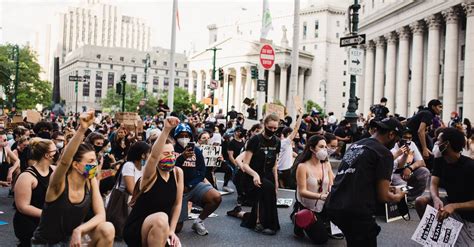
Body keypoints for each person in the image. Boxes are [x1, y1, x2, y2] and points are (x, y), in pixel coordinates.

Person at [31, 111, 114, 246]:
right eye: (91, 161)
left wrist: (79, 230)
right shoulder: (58, 183)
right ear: (75, 165)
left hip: (72, 241)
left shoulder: (90, 180)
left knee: (107, 228)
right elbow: (64, 161)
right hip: (46, 244)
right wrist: (82, 129)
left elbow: (101, 216)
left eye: (95, 161)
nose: (95, 165)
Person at [325, 117, 407, 247]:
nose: (395, 144)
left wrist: (384, 186)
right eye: (396, 140)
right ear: (391, 134)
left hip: (334, 205)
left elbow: (357, 175)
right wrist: (399, 196)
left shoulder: (355, 145)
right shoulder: (384, 153)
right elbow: (384, 196)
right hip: (357, 211)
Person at [123, 117, 184, 247]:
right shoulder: (149, 175)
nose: (171, 156)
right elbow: (154, 157)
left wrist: (172, 231)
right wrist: (166, 130)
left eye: (172, 153)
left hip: (162, 228)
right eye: (166, 153)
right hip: (139, 228)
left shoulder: (178, 173)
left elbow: (178, 204)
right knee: (161, 218)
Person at [415, 128, 474, 246]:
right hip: (448, 205)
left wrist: (454, 206)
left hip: (468, 215)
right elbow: (433, 183)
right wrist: (436, 198)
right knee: (421, 201)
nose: (436, 143)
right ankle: (433, 239)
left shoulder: (470, 166)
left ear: (447, 144)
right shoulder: (440, 161)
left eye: (438, 141)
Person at [173, 123, 222, 236]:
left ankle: (199, 221)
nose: (184, 138)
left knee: (215, 197)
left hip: (192, 186)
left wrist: (190, 185)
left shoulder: (197, 151)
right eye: (181, 135)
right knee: (177, 228)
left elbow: (201, 172)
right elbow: (170, 169)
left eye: (187, 135)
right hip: (176, 190)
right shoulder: (171, 150)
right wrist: (182, 158)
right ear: (176, 137)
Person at [239, 114, 281, 235]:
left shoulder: (277, 142)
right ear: (265, 125)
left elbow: (274, 165)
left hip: (268, 175)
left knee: (270, 187)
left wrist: (276, 182)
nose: (272, 130)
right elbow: (245, 164)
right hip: (252, 175)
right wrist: (255, 175)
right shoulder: (255, 140)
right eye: (270, 127)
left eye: (275, 128)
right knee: (267, 188)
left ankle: (245, 215)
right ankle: (267, 224)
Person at [13, 138, 56, 247]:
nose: (57, 153)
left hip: (47, 221)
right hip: (29, 223)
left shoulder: (55, 170)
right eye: (55, 151)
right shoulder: (26, 177)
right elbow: (23, 207)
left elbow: (80, 174)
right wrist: (50, 215)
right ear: (47, 155)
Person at [292, 135, 334, 244]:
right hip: (308, 206)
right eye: (321, 147)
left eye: (325, 147)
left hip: (323, 205)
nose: (324, 150)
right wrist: (321, 196)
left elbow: (332, 183)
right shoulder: (302, 166)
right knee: (322, 239)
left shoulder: (326, 164)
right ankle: (298, 217)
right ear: (311, 148)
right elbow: (302, 192)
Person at [390, 129, 430, 204]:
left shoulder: (412, 144)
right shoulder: (393, 147)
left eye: (410, 138)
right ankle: (400, 199)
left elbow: (422, 162)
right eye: (405, 137)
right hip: (394, 173)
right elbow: (398, 165)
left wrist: (410, 168)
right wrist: (402, 154)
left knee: (424, 172)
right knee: (403, 188)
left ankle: (411, 199)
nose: (407, 140)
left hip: (406, 171)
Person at [278, 108, 303, 189]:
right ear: (289, 134)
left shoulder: (283, 143)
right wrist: (300, 115)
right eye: (292, 133)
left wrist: (298, 156)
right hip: (286, 170)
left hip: (283, 169)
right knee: (291, 188)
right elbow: (296, 128)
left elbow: (289, 153)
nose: (295, 134)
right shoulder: (286, 142)